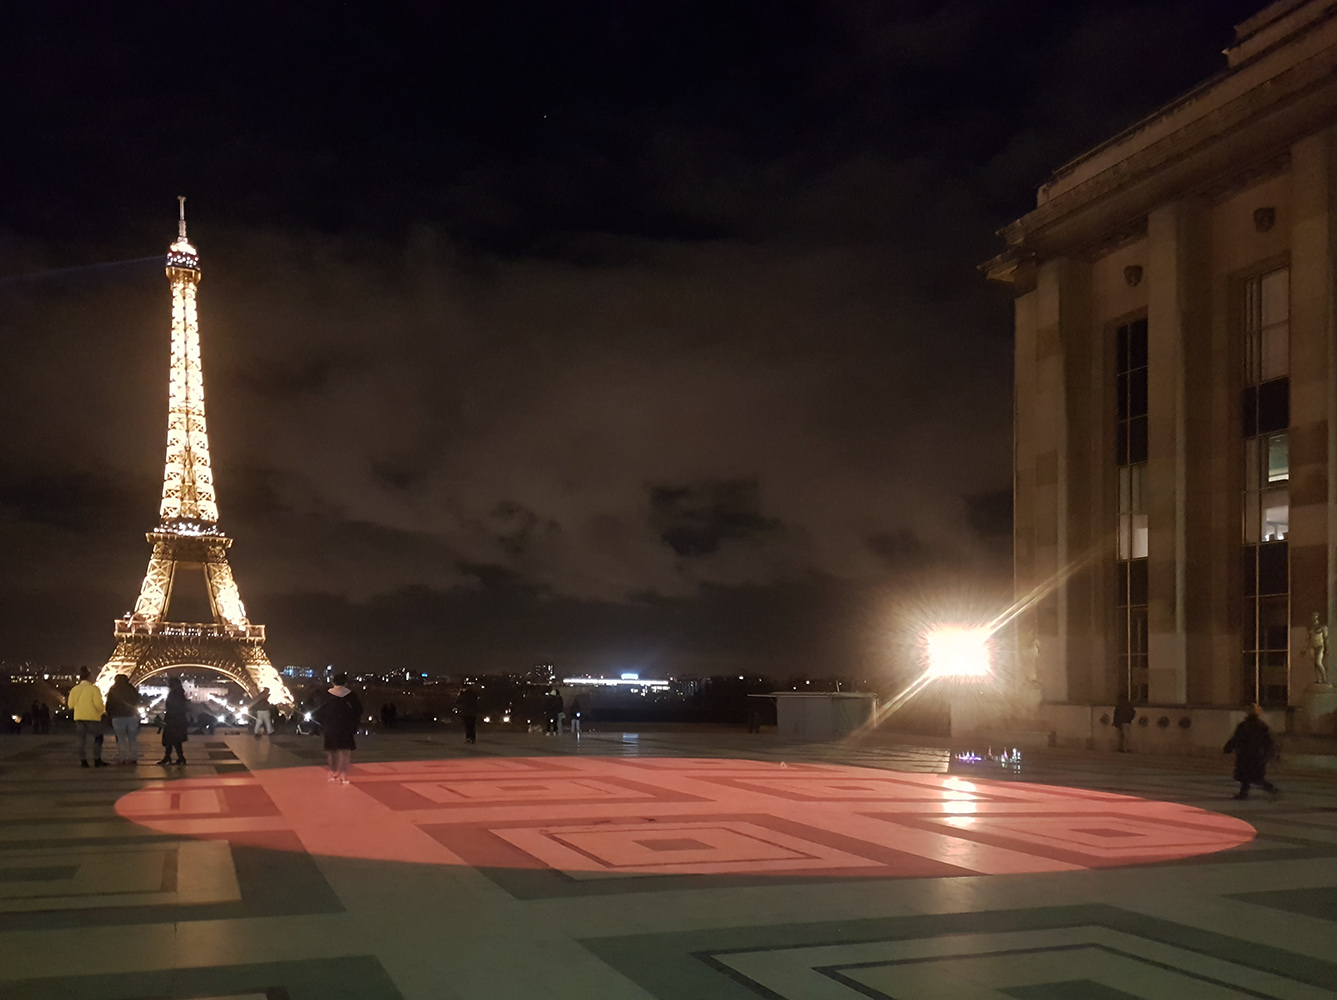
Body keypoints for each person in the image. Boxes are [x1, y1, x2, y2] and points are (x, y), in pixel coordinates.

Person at [1224, 704, 1279, 800]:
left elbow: (1236, 739)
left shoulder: (1244, 725)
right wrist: (1269, 753)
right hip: (1256, 755)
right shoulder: (1261, 726)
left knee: (1248, 776)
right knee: (1253, 777)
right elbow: (1268, 741)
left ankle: (1271, 789)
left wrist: (1228, 748)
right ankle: (1245, 793)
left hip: (1246, 754)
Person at [315, 672, 361, 783]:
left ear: (333, 682)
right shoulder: (351, 696)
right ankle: (343, 774)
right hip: (346, 727)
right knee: (345, 751)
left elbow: (319, 712)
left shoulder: (326, 695)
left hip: (330, 726)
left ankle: (332, 772)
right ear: (345, 683)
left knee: (331, 750)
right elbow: (358, 710)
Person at [67, 668, 107, 768]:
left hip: (79, 717)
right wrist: (102, 711)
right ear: (89, 677)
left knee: (81, 740)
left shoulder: (74, 689)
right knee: (98, 738)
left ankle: (83, 761)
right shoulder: (94, 689)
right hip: (93, 717)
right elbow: (98, 704)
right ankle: (97, 759)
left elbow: (70, 705)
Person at [105, 674, 143, 765]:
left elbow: (109, 704)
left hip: (117, 717)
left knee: (121, 738)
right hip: (132, 716)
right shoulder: (132, 689)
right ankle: (133, 758)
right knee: (132, 738)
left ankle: (122, 759)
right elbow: (138, 700)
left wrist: (110, 715)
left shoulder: (113, 690)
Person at [158, 677, 190, 765]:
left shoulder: (174, 694)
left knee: (170, 739)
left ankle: (169, 757)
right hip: (178, 720)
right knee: (175, 740)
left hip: (173, 720)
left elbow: (173, 707)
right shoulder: (180, 693)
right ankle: (179, 758)